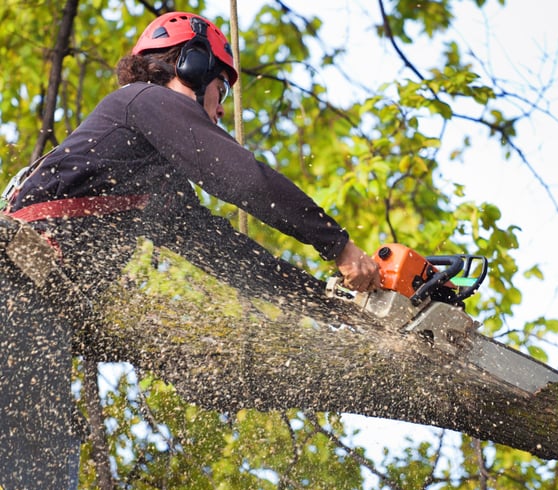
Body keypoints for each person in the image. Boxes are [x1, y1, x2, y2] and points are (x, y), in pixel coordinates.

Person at [4, 11, 380, 298]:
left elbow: (225, 254)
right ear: (193, 67)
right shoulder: (144, 100)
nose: (220, 110)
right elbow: (245, 179)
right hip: (18, 269)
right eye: (222, 89)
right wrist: (338, 245)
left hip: (40, 291)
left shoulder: (155, 181)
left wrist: (326, 300)